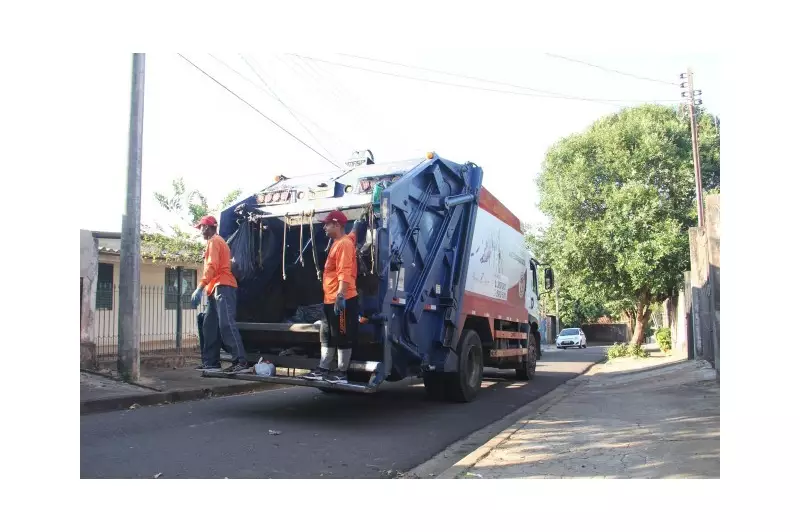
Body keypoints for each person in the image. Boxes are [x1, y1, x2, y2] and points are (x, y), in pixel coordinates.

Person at [303, 210, 360, 384]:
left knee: (342, 334)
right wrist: (358, 225)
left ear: (337, 225)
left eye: (327, 224)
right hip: (330, 299)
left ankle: (342, 373)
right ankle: (323, 369)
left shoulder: (343, 244)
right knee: (327, 334)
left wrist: (340, 295)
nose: (324, 227)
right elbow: (353, 235)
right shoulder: (340, 242)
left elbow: (345, 271)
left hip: (342, 298)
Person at [191, 215, 250, 373]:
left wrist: (200, 286)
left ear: (208, 227)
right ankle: (211, 363)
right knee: (209, 326)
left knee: (226, 325)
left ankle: (241, 361)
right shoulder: (215, 242)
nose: (200, 231)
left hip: (223, 286)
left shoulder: (214, 241)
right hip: (215, 288)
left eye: (201, 228)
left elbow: (212, 265)